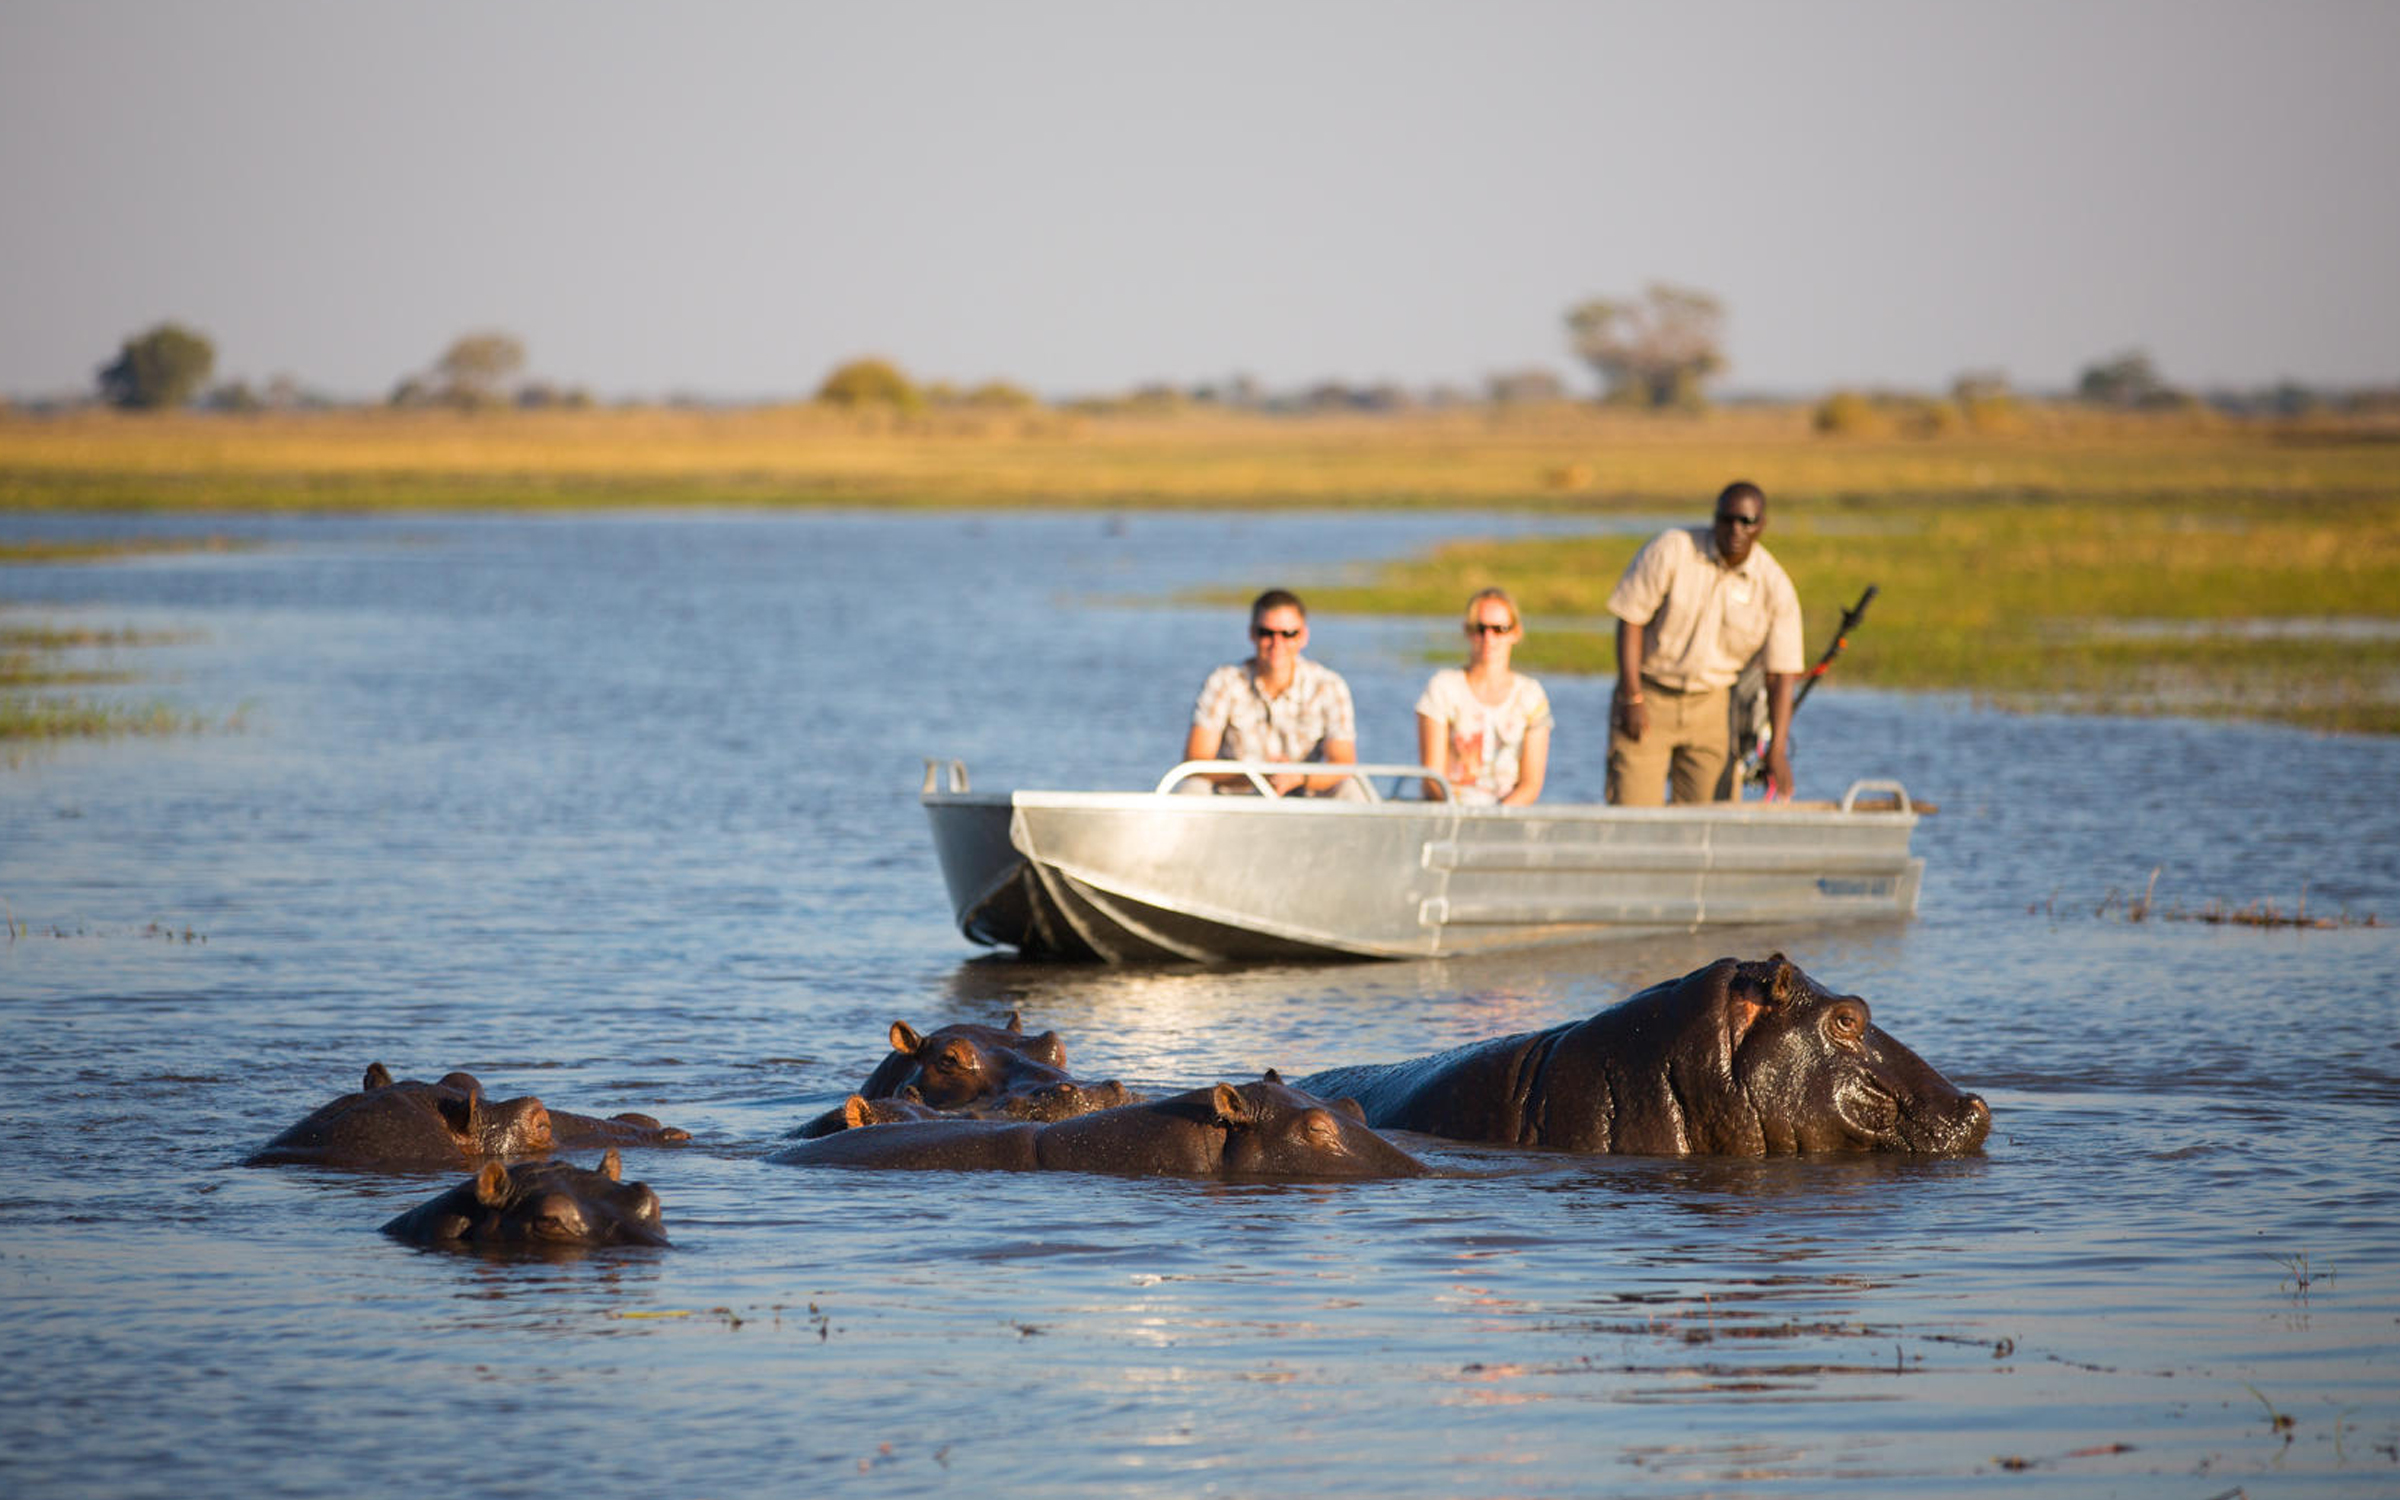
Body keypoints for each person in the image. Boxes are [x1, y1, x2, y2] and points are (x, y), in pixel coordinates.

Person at [1605, 480, 1803, 805]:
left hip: (1714, 706)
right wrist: (1632, 698)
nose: (1735, 529)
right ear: (1715, 518)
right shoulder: (1672, 549)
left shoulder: (1774, 585)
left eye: (1746, 521)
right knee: (1633, 817)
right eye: (1727, 519)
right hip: (1649, 694)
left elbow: (1781, 675)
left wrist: (1777, 750)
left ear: (1761, 526)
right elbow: (1630, 620)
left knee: (1713, 820)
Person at [1183, 588, 1359, 796]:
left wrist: (1299, 776)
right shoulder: (1223, 682)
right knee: (1193, 787)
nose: (1277, 643)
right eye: (1266, 633)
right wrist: (1257, 774)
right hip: (1236, 797)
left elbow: (1343, 762)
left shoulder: (1328, 685)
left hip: (1306, 795)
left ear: (1303, 636)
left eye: (1288, 634)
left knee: (1351, 788)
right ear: (1252, 634)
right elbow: (1196, 758)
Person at [1415, 587, 1551, 805]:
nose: (1489, 637)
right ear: (1468, 632)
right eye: (1481, 628)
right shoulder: (1442, 688)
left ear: (1516, 633)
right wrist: (1464, 818)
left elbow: (1531, 783)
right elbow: (1432, 779)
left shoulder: (1531, 695)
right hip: (1452, 814)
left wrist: (1496, 820)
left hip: (1507, 818)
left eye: (1500, 629)